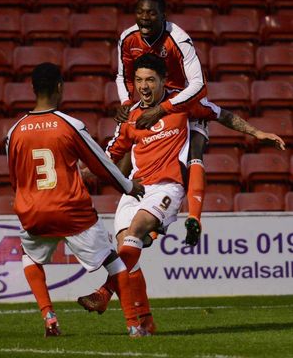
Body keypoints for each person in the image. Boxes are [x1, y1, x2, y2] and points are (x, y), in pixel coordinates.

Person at [77, 53, 285, 334]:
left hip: (167, 187)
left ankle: (104, 294)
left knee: (135, 234)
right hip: (135, 188)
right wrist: (79, 169)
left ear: (163, 80)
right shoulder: (130, 116)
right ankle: (146, 323)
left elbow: (222, 115)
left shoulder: (182, 105)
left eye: (150, 79)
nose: (144, 86)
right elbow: (109, 155)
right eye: (138, 81)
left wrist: (257, 133)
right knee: (129, 252)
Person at [5, 62, 148, 338]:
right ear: (60, 87)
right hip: (71, 211)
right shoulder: (69, 126)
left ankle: (49, 318)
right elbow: (100, 165)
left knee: (30, 257)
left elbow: (16, 179)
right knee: (114, 262)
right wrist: (129, 187)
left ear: (32, 88)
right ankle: (133, 326)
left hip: (33, 211)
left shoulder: (14, 132)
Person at [115, 0, 208, 245]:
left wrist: (164, 108)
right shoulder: (127, 38)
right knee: (130, 148)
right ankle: (149, 216)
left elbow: (199, 85)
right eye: (140, 12)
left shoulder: (178, 39)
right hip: (149, 103)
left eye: (151, 13)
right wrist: (125, 102)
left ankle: (194, 217)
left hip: (181, 101)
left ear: (163, 15)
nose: (145, 18)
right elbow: (122, 76)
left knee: (193, 153)